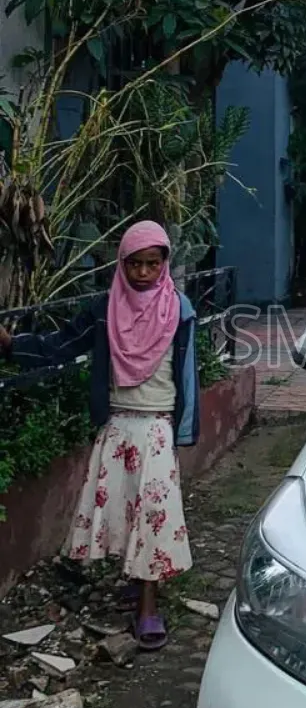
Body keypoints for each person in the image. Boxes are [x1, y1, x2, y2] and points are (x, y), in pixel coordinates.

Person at [0, 221, 198, 650]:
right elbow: (63, 344)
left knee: (153, 516)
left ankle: (148, 606)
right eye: (135, 264)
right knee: (127, 511)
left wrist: (185, 429)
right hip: (117, 424)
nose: (144, 273)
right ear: (122, 264)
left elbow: (187, 373)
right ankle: (135, 581)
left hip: (158, 427)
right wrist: (12, 346)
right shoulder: (105, 309)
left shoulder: (180, 310)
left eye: (152, 263)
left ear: (164, 264)